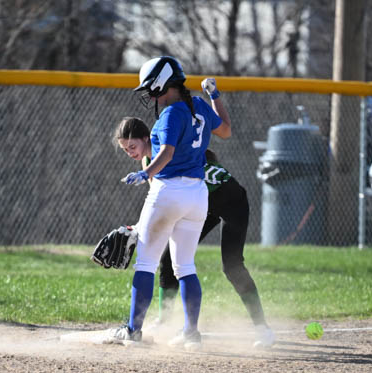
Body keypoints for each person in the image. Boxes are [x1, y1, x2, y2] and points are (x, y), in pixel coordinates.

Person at [113, 118, 275, 348]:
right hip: (201, 205)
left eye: (132, 146)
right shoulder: (149, 161)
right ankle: (165, 321)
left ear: (147, 138)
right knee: (169, 258)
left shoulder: (167, 152)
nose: (130, 152)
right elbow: (162, 203)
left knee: (232, 266)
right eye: (125, 149)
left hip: (231, 201)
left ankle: (262, 329)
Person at [111, 56, 230, 349]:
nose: (149, 95)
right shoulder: (200, 105)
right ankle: (191, 334)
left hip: (169, 190)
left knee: (146, 263)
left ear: (162, 84)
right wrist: (215, 95)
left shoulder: (170, 114)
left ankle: (133, 331)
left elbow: (166, 152)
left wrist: (145, 173)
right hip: (197, 195)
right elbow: (226, 130)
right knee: (185, 266)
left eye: (150, 88)